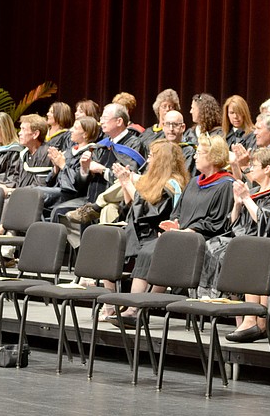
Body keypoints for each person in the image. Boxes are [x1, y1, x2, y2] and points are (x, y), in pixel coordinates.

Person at [119, 134, 235, 324]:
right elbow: (178, 211)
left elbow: (219, 221)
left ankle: (138, 310)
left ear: (213, 156)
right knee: (147, 251)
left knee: (162, 252)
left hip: (201, 239)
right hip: (181, 236)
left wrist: (191, 231)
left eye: (200, 152)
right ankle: (135, 308)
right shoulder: (194, 182)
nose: (195, 156)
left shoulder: (225, 185)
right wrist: (174, 223)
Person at [98, 139, 190, 321]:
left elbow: (151, 213)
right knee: (109, 243)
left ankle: (134, 308)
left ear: (162, 160)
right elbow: (131, 208)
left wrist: (129, 183)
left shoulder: (173, 184)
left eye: (151, 156)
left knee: (140, 251)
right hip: (138, 231)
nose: (148, 160)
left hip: (154, 234)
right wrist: (125, 185)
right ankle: (109, 305)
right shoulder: (151, 181)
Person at [198, 146, 270, 338]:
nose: (250, 169)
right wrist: (238, 203)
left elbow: (265, 223)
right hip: (246, 239)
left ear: (267, 169)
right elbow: (236, 223)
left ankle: (250, 320)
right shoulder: (253, 191)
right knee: (214, 248)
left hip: (265, 243)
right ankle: (242, 320)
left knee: (240, 254)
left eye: (254, 165)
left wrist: (246, 198)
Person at [37, 116, 100, 220]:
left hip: (72, 195)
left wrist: (63, 165)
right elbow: (49, 182)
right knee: (27, 191)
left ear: (85, 134)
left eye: (75, 128)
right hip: (58, 191)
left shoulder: (90, 153)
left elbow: (76, 185)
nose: (71, 130)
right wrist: (56, 167)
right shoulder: (69, 151)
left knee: (35, 193)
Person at [16, 113, 52, 188]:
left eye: (23, 129)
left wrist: (12, 191)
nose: (19, 133)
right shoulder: (24, 154)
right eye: (20, 129)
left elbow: (40, 186)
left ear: (35, 134)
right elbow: (15, 179)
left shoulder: (47, 154)